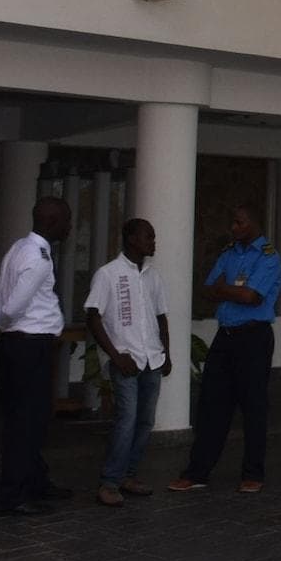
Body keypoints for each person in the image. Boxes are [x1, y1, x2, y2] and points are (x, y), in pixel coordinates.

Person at [171, 205, 281, 494]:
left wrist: (225, 289)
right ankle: (197, 472)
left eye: (239, 222)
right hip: (225, 337)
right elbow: (207, 288)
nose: (233, 227)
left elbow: (252, 296)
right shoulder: (228, 253)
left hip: (254, 338)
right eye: (232, 222)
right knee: (211, 405)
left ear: (254, 224)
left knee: (253, 406)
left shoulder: (268, 257)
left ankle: (253, 473)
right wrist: (230, 291)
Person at [0, 195, 74, 516]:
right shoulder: (39, 258)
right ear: (51, 222)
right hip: (29, 346)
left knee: (27, 419)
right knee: (27, 423)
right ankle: (13, 496)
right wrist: (7, 324)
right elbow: (13, 305)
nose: (69, 227)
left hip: (18, 343)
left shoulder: (18, 248)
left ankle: (36, 482)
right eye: (66, 220)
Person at [84, 217, 171, 508]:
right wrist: (115, 355)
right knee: (126, 419)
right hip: (126, 361)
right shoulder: (108, 274)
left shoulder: (153, 277)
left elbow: (161, 316)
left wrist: (166, 353)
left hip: (152, 360)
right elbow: (93, 316)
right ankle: (109, 481)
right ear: (132, 239)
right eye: (149, 236)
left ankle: (128, 475)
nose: (153, 242)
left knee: (145, 422)